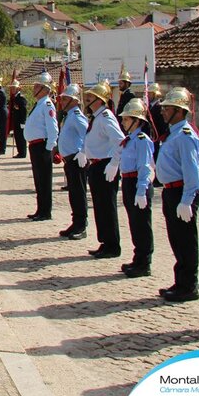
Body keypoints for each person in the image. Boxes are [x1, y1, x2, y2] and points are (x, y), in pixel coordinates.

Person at [154, 87, 199, 302]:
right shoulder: (173, 133)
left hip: (182, 191)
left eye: (168, 108)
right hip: (171, 191)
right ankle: (180, 281)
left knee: (185, 240)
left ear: (179, 111)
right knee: (176, 239)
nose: (163, 112)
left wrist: (187, 201)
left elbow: (192, 173)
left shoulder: (185, 136)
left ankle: (189, 286)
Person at [82, 80, 126, 259]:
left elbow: (120, 141)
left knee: (107, 207)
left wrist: (114, 163)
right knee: (99, 207)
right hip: (96, 165)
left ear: (99, 100)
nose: (87, 100)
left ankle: (112, 245)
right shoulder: (97, 118)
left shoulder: (106, 117)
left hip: (105, 165)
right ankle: (105, 241)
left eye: (90, 97)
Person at [115, 98, 156, 278]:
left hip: (139, 182)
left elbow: (145, 167)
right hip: (128, 182)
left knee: (142, 224)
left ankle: (144, 262)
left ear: (137, 121)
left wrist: (141, 191)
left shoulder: (142, 140)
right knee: (134, 223)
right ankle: (137, 257)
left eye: (126, 119)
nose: (123, 122)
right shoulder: (130, 140)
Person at [23, 73, 58, 221]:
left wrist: (49, 148)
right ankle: (40, 209)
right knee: (38, 179)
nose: (34, 88)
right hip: (35, 145)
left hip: (42, 146)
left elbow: (52, 128)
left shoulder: (47, 104)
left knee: (44, 180)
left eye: (37, 86)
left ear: (44, 89)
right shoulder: (39, 104)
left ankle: (45, 211)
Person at [57, 84, 88, 240]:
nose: (62, 101)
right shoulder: (69, 115)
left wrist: (83, 152)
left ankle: (81, 226)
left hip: (77, 160)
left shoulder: (77, 116)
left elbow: (87, 134)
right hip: (69, 160)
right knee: (73, 194)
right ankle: (75, 222)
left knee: (79, 194)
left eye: (65, 99)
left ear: (74, 101)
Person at [9, 80, 27, 158]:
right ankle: (20, 152)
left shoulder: (21, 98)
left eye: (14, 88)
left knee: (21, 137)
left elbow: (23, 111)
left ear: (18, 89)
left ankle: (22, 153)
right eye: (12, 88)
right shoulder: (15, 98)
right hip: (16, 121)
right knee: (17, 136)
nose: (12, 89)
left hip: (20, 121)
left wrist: (23, 122)